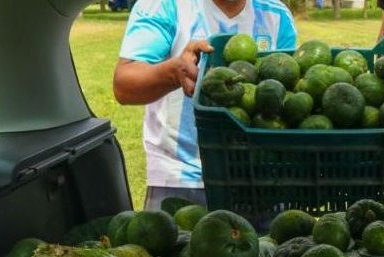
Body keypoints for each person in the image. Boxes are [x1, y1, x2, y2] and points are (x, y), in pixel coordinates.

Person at [113, 0, 297, 209]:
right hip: (180, 176)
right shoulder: (165, 5)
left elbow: (289, 92)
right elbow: (124, 85)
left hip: (261, 178)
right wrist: (173, 73)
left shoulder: (276, 15)